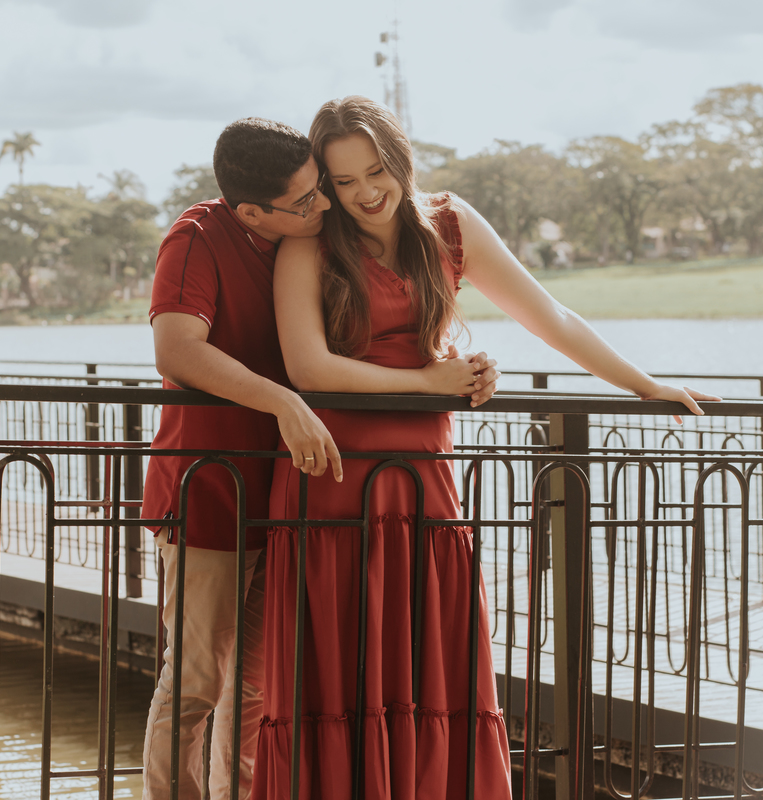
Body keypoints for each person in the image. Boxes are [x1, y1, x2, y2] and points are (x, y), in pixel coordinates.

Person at [251, 96, 719, 800]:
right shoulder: (309, 244)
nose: (364, 194)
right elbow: (308, 369)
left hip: (422, 483)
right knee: (338, 674)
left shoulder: (449, 225)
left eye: (375, 171)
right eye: (343, 182)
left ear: (401, 160)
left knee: (430, 663)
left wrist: (642, 384)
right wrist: (427, 379)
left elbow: (548, 315)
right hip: (334, 481)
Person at [141, 116, 499, 800]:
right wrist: (284, 400)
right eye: (307, 200)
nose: (325, 206)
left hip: (288, 491)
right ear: (253, 211)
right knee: (194, 680)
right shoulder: (198, 236)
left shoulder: (307, 242)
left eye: (320, 190)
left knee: (258, 683)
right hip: (210, 492)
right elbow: (177, 352)